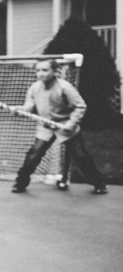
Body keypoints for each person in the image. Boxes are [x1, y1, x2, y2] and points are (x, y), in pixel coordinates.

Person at [10, 59, 107, 194]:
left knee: (80, 156)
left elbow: (80, 106)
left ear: (55, 71)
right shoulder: (34, 88)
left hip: (65, 127)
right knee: (33, 155)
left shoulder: (65, 87)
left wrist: (71, 123)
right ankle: (20, 184)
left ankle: (99, 183)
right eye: (38, 70)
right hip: (46, 127)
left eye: (45, 70)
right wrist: (19, 110)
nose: (40, 74)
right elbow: (29, 107)